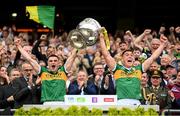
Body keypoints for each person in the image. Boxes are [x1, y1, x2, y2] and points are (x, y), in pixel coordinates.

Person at [99, 30, 168, 105]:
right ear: (122, 59)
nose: (130, 56)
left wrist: (163, 45)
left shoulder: (139, 68)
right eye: (127, 55)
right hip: (121, 102)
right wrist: (102, 39)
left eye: (131, 55)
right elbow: (106, 55)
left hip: (136, 102)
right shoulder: (117, 68)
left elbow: (153, 57)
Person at [14, 36, 77, 104]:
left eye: (55, 61)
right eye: (51, 61)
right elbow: (29, 59)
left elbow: (72, 56)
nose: (53, 62)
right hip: (47, 103)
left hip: (61, 102)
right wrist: (18, 46)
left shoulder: (63, 71)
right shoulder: (43, 71)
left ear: (59, 63)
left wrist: (79, 44)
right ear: (48, 63)